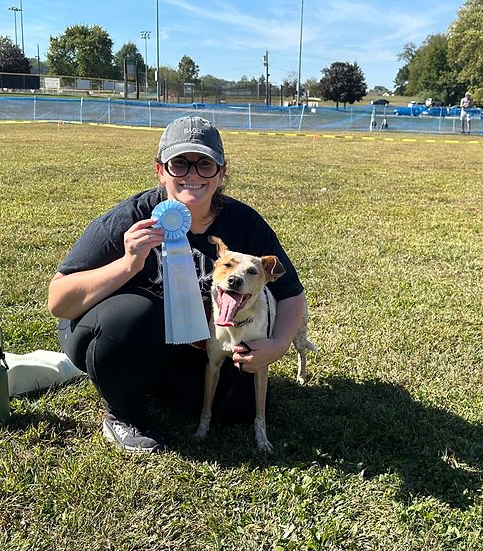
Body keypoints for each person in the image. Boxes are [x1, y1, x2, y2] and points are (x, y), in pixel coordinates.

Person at [48, 116, 307, 454]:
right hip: (113, 330)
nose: (192, 175)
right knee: (136, 315)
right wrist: (127, 263)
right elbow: (59, 301)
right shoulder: (132, 217)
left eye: (205, 164)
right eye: (179, 164)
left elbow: (290, 294)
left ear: (221, 173)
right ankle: (122, 414)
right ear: (160, 170)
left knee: (237, 408)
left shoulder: (244, 223)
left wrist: (278, 345)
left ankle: (151, 379)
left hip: (188, 343)